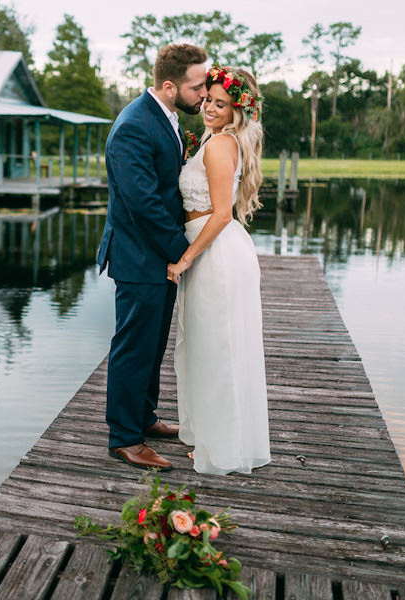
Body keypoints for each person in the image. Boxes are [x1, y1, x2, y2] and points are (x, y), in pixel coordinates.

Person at [97, 44, 208, 471]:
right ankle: (124, 438)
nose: (203, 92)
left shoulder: (165, 117)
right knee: (133, 347)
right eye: (197, 86)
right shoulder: (133, 126)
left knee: (153, 344)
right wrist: (187, 253)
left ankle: (143, 418)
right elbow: (143, 205)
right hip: (139, 258)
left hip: (156, 258)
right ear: (169, 85)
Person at [166, 65, 271, 475]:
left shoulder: (220, 145)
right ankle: (215, 435)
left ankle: (222, 445)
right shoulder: (214, 140)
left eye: (220, 104)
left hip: (215, 255)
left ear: (237, 111)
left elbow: (223, 214)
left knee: (217, 349)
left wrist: (186, 258)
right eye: (208, 99)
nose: (209, 107)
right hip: (214, 252)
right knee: (209, 347)